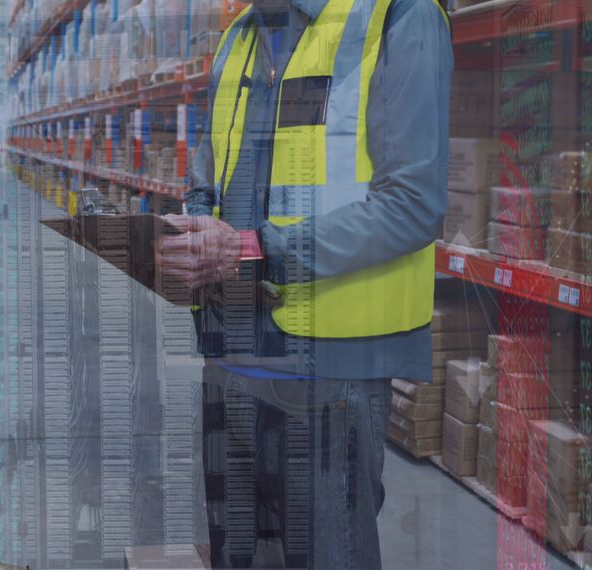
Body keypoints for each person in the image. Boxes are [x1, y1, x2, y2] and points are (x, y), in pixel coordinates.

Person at [156, 0, 452, 565]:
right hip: (229, 357)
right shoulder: (236, 39)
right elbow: (207, 177)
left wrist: (260, 249)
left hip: (330, 373)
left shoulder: (399, 17)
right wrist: (190, 230)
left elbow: (414, 204)